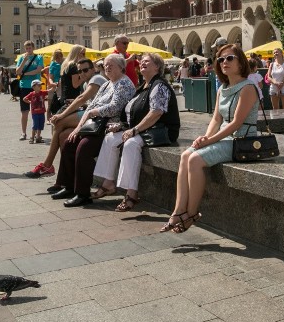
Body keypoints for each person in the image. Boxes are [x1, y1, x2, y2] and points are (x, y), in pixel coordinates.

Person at [159, 45, 257, 233]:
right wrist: (204, 137)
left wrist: (209, 141)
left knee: (195, 159)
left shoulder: (248, 87)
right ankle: (179, 211)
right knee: (186, 155)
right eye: (220, 60)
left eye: (229, 58)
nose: (224, 62)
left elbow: (236, 123)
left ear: (241, 61)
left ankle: (192, 213)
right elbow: (216, 119)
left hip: (242, 141)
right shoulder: (223, 88)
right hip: (225, 139)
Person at [91, 53, 180, 211]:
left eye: (147, 61)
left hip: (160, 130)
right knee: (110, 138)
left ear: (157, 67)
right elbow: (135, 113)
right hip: (143, 129)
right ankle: (108, 183)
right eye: (141, 61)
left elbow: (156, 113)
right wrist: (121, 126)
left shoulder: (159, 85)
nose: (142, 63)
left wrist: (134, 130)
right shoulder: (143, 86)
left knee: (131, 144)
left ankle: (131, 193)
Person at [50, 54, 136, 207]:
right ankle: (68, 186)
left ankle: (82, 194)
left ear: (122, 67)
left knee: (84, 148)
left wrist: (92, 113)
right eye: (106, 64)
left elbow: (115, 107)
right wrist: (78, 128)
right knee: (69, 142)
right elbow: (90, 106)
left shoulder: (124, 83)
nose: (107, 67)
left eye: (111, 65)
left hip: (110, 128)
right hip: (95, 125)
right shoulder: (106, 84)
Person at [26, 59, 99, 178]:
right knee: (63, 135)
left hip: (96, 116)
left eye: (85, 70)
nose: (82, 73)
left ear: (93, 69)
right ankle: (64, 177)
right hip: (90, 112)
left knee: (59, 122)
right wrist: (78, 104)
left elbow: (81, 98)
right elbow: (90, 101)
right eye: (79, 71)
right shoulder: (86, 83)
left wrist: (63, 114)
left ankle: (47, 165)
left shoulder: (96, 78)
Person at [15, 41, 44, 140]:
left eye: (30, 48)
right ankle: (23, 133)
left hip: (36, 87)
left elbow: (38, 70)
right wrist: (24, 61)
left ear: (33, 48)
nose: (28, 50)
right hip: (24, 86)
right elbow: (18, 71)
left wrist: (25, 74)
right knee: (24, 111)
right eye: (26, 48)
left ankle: (36, 133)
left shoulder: (39, 57)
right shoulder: (21, 58)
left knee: (37, 111)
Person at [46, 49, 64, 120]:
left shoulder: (64, 63)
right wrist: (52, 83)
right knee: (50, 103)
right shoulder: (53, 64)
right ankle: (48, 118)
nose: (58, 59)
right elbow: (50, 77)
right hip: (53, 85)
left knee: (60, 103)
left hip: (61, 85)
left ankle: (58, 117)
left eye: (60, 57)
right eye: (57, 57)